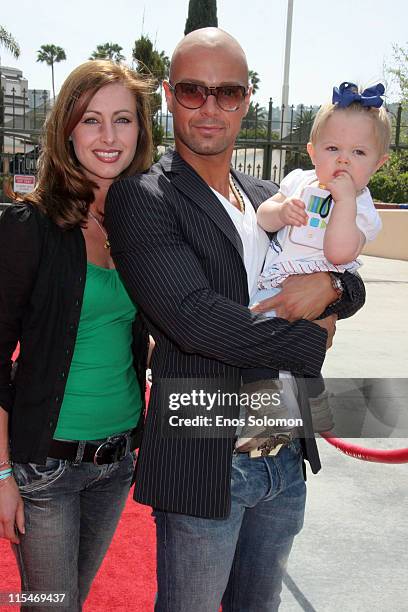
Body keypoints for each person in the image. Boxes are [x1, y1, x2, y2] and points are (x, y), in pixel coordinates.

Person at [105, 28, 366, 611]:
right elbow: (195, 319)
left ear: (247, 97)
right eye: (194, 91)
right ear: (169, 95)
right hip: (206, 462)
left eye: (227, 93)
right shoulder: (144, 196)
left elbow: (348, 270)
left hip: (284, 456)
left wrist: (332, 286)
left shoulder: (274, 193)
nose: (210, 107)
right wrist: (310, 341)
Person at [0, 60, 153, 611]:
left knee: (72, 602)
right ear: (67, 129)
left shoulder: (141, 227)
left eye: (123, 120)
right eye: (92, 120)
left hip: (116, 464)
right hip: (47, 468)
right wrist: (0, 475)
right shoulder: (29, 227)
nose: (109, 137)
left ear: (141, 130)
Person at [236, 82, 392, 447]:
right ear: (312, 151)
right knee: (257, 336)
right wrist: (281, 210)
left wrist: (345, 203)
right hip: (277, 278)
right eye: (333, 148)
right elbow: (263, 216)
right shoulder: (298, 181)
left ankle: (272, 414)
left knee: (276, 340)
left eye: (358, 152)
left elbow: (340, 254)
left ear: (378, 163)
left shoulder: (364, 209)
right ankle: (310, 403)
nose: (343, 160)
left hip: (314, 286)